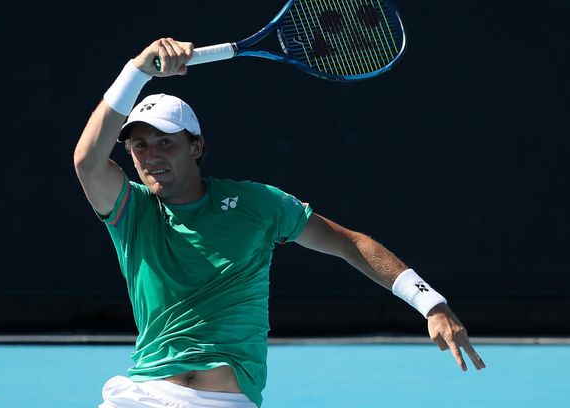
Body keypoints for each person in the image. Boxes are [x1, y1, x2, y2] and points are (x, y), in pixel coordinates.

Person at [74, 38, 486, 408]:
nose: (151, 157)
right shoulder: (134, 211)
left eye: (166, 142)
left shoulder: (257, 205)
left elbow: (349, 244)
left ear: (196, 147)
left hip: (221, 400)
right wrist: (136, 72)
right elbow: (87, 162)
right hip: (141, 394)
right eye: (139, 146)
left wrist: (430, 303)